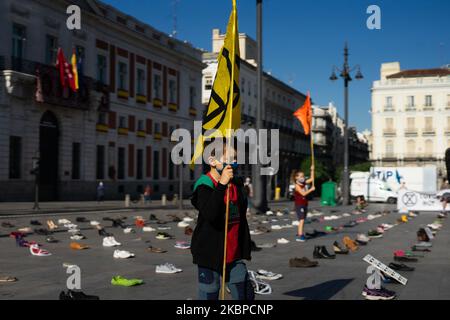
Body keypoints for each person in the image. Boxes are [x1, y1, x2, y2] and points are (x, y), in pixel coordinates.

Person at [190, 144, 254, 300]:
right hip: (210, 253)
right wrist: (222, 185)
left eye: (235, 160)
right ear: (213, 161)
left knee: (245, 294)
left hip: (233, 253)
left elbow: (241, 215)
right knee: (210, 294)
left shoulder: (236, 183)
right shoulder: (204, 185)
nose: (233, 164)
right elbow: (210, 214)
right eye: (228, 159)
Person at [293, 166, 315, 242]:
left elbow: (312, 179)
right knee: (302, 220)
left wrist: (312, 170)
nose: (303, 177)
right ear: (296, 177)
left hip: (304, 204)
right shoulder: (297, 185)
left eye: (303, 176)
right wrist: (311, 189)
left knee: (303, 220)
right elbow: (303, 193)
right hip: (299, 205)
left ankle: (300, 233)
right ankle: (300, 235)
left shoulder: (303, 183)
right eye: (301, 176)